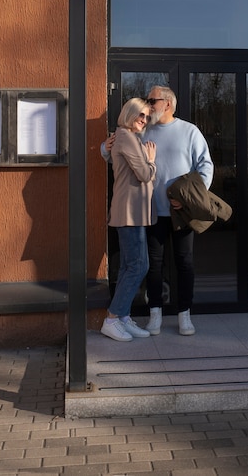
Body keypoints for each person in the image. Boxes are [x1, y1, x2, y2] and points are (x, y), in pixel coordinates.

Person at [102, 86, 213, 336]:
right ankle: (155, 315)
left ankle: (184, 315)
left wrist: (192, 199)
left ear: (169, 104)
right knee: (153, 265)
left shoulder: (189, 131)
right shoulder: (142, 129)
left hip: (181, 212)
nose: (148, 106)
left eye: (153, 101)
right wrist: (104, 148)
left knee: (184, 263)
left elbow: (205, 165)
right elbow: (116, 152)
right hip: (151, 212)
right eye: (147, 102)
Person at [100, 98, 157, 342]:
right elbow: (144, 174)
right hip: (129, 213)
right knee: (138, 266)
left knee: (128, 266)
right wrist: (151, 161)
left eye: (146, 116)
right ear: (129, 114)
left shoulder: (129, 138)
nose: (143, 120)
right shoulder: (125, 136)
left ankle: (122, 317)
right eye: (140, 115)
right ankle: (112, 319)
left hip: (135, 212)